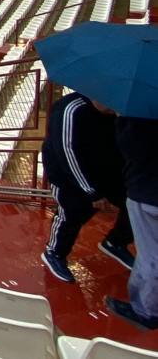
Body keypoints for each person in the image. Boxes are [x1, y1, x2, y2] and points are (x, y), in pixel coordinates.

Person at [41, 92, 133, 283]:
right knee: (71, 215)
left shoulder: (118, 113)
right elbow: (67, 154)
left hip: (107, 172)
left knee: (134, 203)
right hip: (69, 178)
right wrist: (91, 192)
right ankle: (54, 253)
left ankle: (116, 242)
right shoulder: (70, 110)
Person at [106, 116, 158, 330]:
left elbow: (129, 149)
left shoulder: (138, 114)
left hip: (147, 193)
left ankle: (146, 311)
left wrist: (120, 120)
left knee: (150, 255)